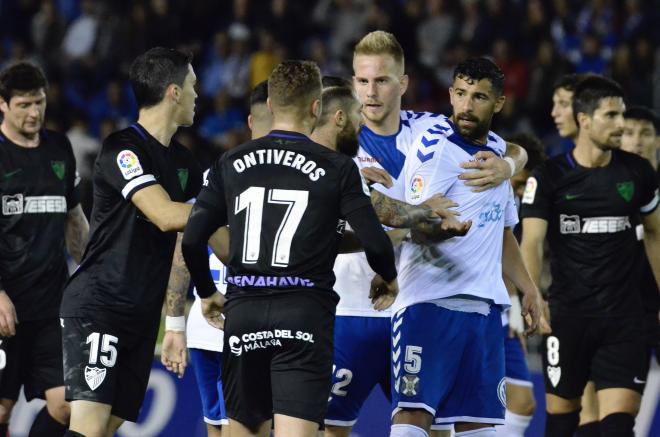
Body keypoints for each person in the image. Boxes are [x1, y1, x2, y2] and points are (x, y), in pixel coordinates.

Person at [326, 30, 529, 437]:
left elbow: (503, 145)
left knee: (435, 423)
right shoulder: (334, 141)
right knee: (331, 428)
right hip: (349, 307)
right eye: (362, 81)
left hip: (419, 297)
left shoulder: (430, 130)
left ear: (402, 84)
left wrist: (511, 165)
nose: (370, 92)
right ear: (352, 83)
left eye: (382, 80)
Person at [182, 60, 399, 437]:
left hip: (245, 310)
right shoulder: (338, 168)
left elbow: (192, 238)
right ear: (316, 108)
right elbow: (375, 240)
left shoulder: (229, 162)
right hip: (303, 316)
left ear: (270, 106)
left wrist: (206, 291)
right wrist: (388, 276)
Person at [379, 57, 542, 437]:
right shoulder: (435, 149)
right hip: (429, 305)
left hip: (484, 313)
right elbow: (412, 220)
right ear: (451, 94)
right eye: (461, 94)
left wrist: (529, 288)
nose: (467, 106)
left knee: (480, 426)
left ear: (499, 103)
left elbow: (502, 234)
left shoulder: (499, 154)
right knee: (414, 418)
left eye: (480, 97)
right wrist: (439, 228)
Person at [59, 47, 203, 437]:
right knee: (89, 428)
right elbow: (164, 215)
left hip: (141, 314)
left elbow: (194, 237)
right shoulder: (123, 149)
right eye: (192, 84)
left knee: (105, 428)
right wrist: (234, 208)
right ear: (173, 92)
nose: (197, 93)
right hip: (100, 304)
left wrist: (175, 322)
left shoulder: (186, 164)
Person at [520, 76, 660, 437]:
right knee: (563, 425)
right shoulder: (549, 177)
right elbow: (532, 242)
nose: (621, 125)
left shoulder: (638, 173)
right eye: (611, 116)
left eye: (623, 115)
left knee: (617, 428)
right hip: (568, 319)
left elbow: (656, 235)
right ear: (585, 120)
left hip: (625, 321)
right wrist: (533, 295)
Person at [0, 62, 89, 437]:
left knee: (66, 407)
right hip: (7, 305)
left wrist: (91, 275)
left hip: (52, 305)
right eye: (23, 105)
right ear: (2, 105)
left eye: (39, 103)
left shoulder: (60, 149)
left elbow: (74, 219)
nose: (34, 112)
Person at [550, 72, 604, 436]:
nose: (554, 112)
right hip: (570, 305)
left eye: (563, 104)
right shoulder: (559, 167)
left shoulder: (613, 171)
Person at [495, 133, 547, 437]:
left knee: (523, 403)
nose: (519, 193)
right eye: (517, 184)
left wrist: (515, 312)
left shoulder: (525, 207)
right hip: (467, 307)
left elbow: (507, 258)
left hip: (502, 312)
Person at [621, 106, 660, 408]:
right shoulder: (606, 189)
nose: (636, 141)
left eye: (645, 133)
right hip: (622, 313)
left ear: (657, 140)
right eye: (628, 133)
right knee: (617, 410)